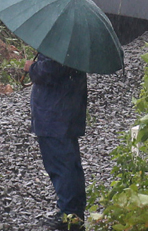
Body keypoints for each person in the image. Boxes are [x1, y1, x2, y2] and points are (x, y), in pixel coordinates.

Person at [27, 51, 88, 231]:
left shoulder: (60, 43)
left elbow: (49, 70)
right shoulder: (76, 40)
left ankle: (70, 215)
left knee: (61, 165)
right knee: (69, 163)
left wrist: (31, 67)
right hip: (68, 107)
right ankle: (73, 212)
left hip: (55, 112)